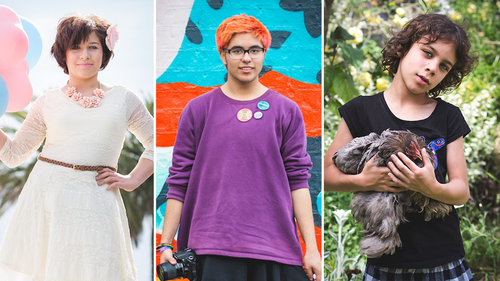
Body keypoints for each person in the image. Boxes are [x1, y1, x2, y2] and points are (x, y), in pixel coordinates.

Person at [159, 14, 322, 281]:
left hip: (274, 246)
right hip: (211, 246)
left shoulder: (286, 111)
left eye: (254, 50)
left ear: (263, 53)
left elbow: (299, 181)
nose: (247, 58)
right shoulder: (198, 110)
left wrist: (312, 250)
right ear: (223, 55)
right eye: (237, 50)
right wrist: (166, 244)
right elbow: (178, 182)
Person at [0, 14, 154, 280]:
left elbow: (158, 140)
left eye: (93, 47)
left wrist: (132, 180)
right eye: (76, 47)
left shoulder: (124, 98)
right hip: (51, 199)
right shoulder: (47, 101)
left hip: (99, 200)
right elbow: (14, 154)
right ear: (63, 54)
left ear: (105, 52)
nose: (85, 55)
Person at [324, 13, 477, 280]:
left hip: (444, 259)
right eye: (427, 53)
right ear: (401, 48)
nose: (432, 68)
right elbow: (325, 176)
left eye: (444, 66)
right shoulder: (360, 110)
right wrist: (364, 180)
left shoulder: (448, 116)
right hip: (384, 262)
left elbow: (461, 191)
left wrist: (430, 187)